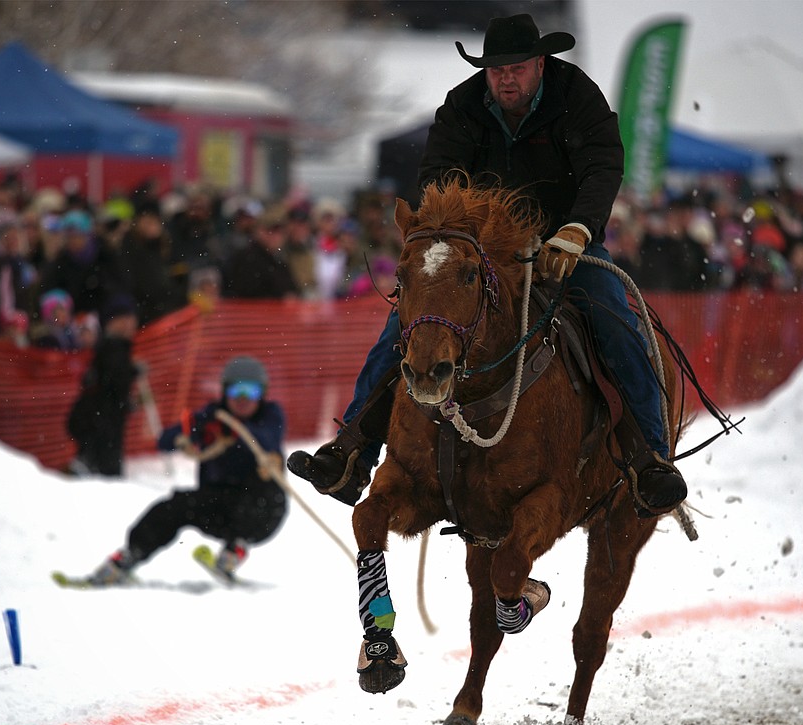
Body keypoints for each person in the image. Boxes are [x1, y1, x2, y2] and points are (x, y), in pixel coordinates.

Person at [288, 13, 688, 518]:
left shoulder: (578, 96)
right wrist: (457, 230)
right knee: (406, 327)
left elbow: (604, 164)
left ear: (541, 63)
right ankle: (351, 454)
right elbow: (437, 175)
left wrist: (576, 230)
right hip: (481, 251)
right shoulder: (463, 105)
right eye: (496, 69)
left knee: (614, 322)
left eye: (516, 68)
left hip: (565, 247)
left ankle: (650, 458)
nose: (505, 79)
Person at [82, 356, 288, 585]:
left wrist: (232, 430)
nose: (242, 400)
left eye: (250, 392)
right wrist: (192, 431)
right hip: (219, 506)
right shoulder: (211, 416)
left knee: (262, 497)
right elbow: (165, 440)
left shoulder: (270, 416)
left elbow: (268, 440)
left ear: (262, 394)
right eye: (236, 391)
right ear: (224, 392)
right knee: (175, 506)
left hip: (262, 512)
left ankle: (234, 551)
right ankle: (130, 556)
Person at [66, 295, 140, 476]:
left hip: (102, 426)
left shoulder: (118, 347)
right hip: (100, 428)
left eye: (131, 318)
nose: (130, 323)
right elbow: (112, 385)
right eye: (124, 319)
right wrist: (131, 374)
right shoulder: (111, 348)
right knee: (104, 476)